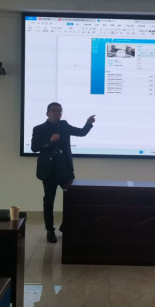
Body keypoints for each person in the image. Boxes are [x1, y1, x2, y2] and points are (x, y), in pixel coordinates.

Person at [31, 102, 95, 243]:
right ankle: (50, 230)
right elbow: (34, 148)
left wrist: (88, 124)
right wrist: (50, 141)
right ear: (47, 113)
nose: (57, 113)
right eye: (54, 110)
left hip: (65, 170)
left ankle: (66, 227)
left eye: (59, 111)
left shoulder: (64, 125)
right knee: (49, 201)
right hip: (49, 172)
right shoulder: (39, 129)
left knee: (72, 200)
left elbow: (81, 133)